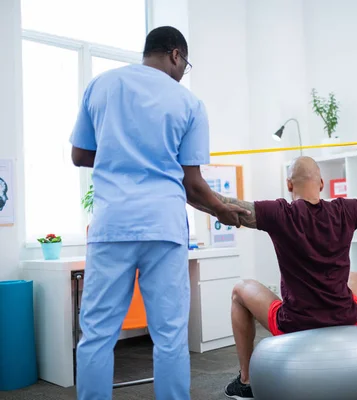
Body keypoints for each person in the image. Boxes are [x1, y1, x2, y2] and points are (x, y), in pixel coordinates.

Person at [69, 26, 248, 400]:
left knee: (98, 333)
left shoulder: (100, 86)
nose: (184, 72)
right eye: (186, 64)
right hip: (163, 227)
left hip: (111, 225)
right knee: (168, 334)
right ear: (175, 55)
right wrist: (224, 210)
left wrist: (122, 155)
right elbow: (193, 184)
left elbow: (80, 155)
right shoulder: (189, 104)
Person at [190, 131, 357, 399]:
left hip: (295, 323)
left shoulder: (279, 213)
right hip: (342, 315)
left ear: (289, 185)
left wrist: (182, 180)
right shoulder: (345, 210)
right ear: (322, 183)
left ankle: (246, 381)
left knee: (240, 290)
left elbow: (218, 203)